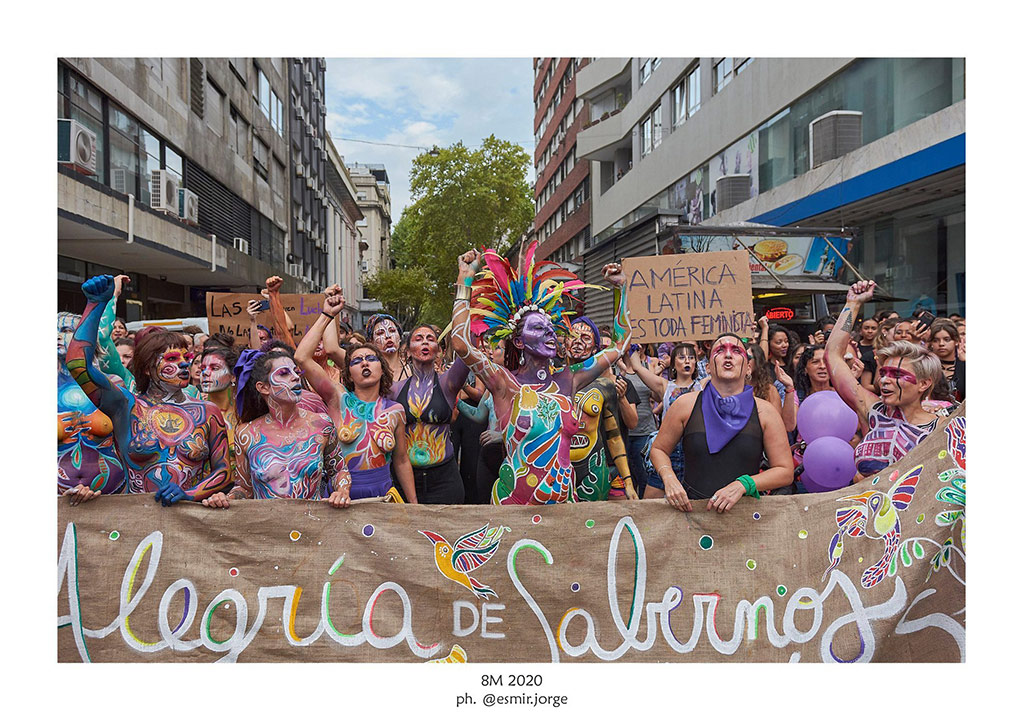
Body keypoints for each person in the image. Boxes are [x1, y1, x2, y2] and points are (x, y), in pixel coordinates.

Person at [450, 242, 631, 505]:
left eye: (550, 328)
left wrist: (621, 290)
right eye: (537, 328)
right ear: (520, 342)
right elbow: (461, 344)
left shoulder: (569, 378)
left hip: (563, 506)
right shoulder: (505, 383)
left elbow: (619, 344)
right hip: (514, 506)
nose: (548, 333)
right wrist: (465, 280)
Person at [66, 275, 230, 506]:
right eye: (172, 358)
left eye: (187, 357)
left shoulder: (207, 412)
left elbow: (223, 471)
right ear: (145, 369)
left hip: (192, 525)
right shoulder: (125, 406)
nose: (184, 364)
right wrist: (95, 304)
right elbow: (77, 364)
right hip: (137, 524)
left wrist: (190, 494)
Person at [294, 289, 417, 503]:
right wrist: (327, 315)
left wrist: (414, 505)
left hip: (383, 497)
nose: (365, 363)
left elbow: (402, 461)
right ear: (348, 372)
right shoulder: (338, 399)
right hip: (340, 498)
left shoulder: (395, 411)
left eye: (371, 358)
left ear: (382, 369)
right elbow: (302, 357)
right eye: (356, 361)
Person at [651, 333, 794, 512]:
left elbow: (785, 471)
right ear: (709, 367)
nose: (728, 355)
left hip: (744, 517)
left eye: (736, 350)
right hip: (692, 515)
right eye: (720, 350)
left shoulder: (765, 412)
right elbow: (658, 449)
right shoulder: (685, 404)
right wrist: (669, 478)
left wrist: (744, 484)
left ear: (748, 367)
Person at [201, 347, 350, 508]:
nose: (295, 378)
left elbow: (339, 470)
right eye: (284, 373)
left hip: (312, 525)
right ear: (263, 387)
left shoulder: (321, 424)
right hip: (269, 528)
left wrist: (342, 490)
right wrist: (225, 498)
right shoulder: (247, 434)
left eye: (295, 372)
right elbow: (244, 488)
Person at [825, 280, 941, 480]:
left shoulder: (940, 428)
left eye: (897, 375)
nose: (886, 380)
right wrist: (852, 304)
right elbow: (832, 355)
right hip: (869, 508)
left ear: (924, 383)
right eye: (885, 372)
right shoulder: (872, 410)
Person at [389, 322, 470, 504]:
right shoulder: (394, 390)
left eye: (430, 339)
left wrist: (465, 304)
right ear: (407, 351)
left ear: (438, 350)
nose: (425, 342)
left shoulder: (447, 384)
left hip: (444, 479)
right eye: (418, 339)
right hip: (405, 479)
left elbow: (466, 352)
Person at [565, 316, 638, 501]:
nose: (578, 342)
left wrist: (628, 482)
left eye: (586, 338)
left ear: (596, 349)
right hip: (557, 473)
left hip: (595, 474)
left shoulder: (605, 386)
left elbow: (614, 436)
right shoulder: (550, 381)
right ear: (563, 341)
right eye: (573, 336)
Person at [58, 310, 126, 503]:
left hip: (113, 495)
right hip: (58, 502)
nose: (57, 336)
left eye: (67, 330)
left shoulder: (113, 385)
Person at [198, 341, 241, 477]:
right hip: (200, 493)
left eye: (214, 368)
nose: (205, 373)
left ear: (233, 376)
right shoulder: (193, 412)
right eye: (203, 368)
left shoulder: (245, 412)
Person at [927, 319, 965, 401]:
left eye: (947, 339)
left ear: (956, 341)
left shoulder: (964, 366)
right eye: (935, 340)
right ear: (931, 343)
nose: (941, 344)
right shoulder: (926, 367)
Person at [367, 313, 410, 384]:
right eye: (380, 333)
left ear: (400, 336)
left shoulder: (414, 370)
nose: (387, 336)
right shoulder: (368, 370)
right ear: (371, 341)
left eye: (392, 331)